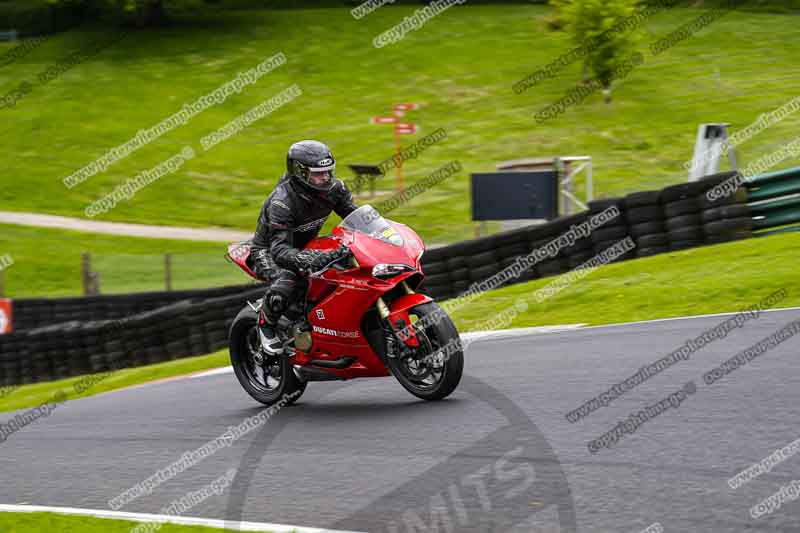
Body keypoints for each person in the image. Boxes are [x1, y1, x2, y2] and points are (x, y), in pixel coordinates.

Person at [251, 140, 357, 354]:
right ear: (300, 173)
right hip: (269, 250)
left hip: (307, 244)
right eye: (319, 174)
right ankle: (266, 324)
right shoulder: (282, 202)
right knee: (289, 279)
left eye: (328, 172)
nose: (326, 178)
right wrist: (309, 258)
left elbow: (356, 217)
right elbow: (279, 251)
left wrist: (382, 232)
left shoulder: (335, 189)